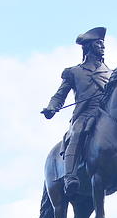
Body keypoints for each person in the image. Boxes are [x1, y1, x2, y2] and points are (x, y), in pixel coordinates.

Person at [41, 27, 112, 194]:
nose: (102, 46)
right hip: (85, 114)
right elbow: (59, 95)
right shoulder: (74, 72)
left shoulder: (111, 72)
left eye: (103, 43)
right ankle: (70, 176)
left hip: (105, 114)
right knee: (77, 132)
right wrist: (52, 107)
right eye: (98, 43)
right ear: (88, 47)